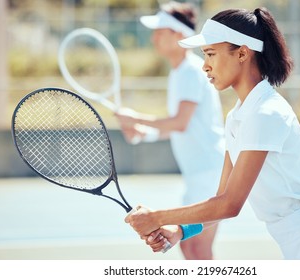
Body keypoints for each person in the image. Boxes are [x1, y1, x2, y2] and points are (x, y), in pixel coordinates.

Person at [125, 7, 300, 260]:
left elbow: (230, 205)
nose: (205, 66)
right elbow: (220, 200)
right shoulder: (237, 117)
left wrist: (157, 217)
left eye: (211, 54)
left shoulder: (266, 112)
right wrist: (180, 231)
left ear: (242, 52)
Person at [116, 1, 225, 260]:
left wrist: (135, 118)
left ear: (178, 35)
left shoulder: (190, 71)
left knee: (198, 247)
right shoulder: (179, 72)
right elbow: (181, 127)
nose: (154, 37)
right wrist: (145, 132)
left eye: (161, 31)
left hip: (210, 175)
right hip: (198, 175)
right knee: (188, 246)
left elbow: (180, 122)